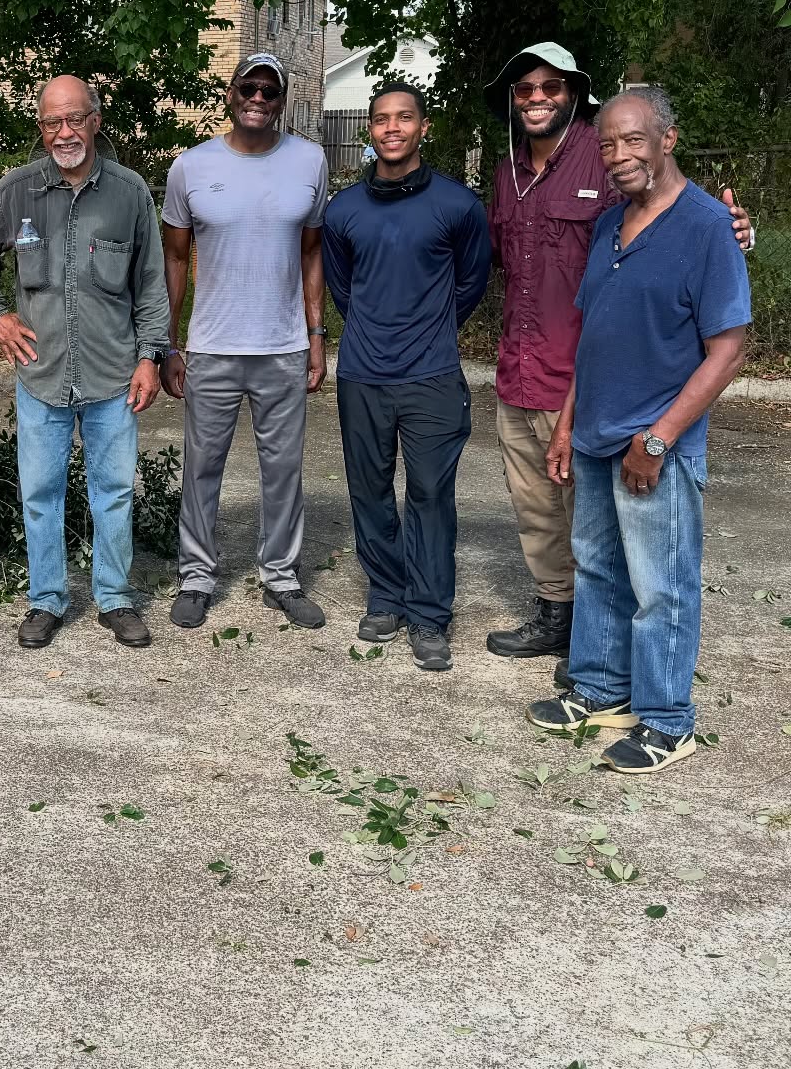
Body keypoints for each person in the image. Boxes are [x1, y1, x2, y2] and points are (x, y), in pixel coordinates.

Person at [482, 45, 754, 678]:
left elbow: (673, 205)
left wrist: (735, 225)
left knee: (624, 537)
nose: (537, 97)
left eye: (551, 86)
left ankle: (644, 678)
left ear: (573, 92)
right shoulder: (506, 172)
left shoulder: (602, 154)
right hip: (526, 368)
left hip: (596, 378)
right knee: (547, 516)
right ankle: (567, 629)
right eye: (525, 89)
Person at [528, 87, 751, 774]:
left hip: (653, 444)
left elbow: (729, 347)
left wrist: (658, 438)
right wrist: (566, 425)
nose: (619, 155)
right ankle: (599, 688)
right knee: (598, 569)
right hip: (594, 434)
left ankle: (666, 720)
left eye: (633, 140)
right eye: (608, 143)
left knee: (662, 585)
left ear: (666, 141)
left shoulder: (708, 227)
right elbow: (595, 333)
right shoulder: (609, 225)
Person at [0, 76, 170, 649]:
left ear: (96, 120)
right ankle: (46, 599)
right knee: (41, 492)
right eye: (52, 122)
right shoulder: (17, 191)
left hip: (113, 375)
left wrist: (151, 356)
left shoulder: (130, 193)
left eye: (74, 119)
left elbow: (152, 282)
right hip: (41, 373)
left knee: (113, 490)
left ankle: (114, 596)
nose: (64, 132)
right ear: (41, 127)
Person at [322, 82, 491, 672]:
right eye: (381, 120)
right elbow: (343, 288)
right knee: (368, 490)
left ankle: (428, 613)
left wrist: (430, 328)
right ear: (370, 130)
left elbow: (470, 282)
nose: (392, 128)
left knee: (429, 494)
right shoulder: (343, 211)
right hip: (363, 375)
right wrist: (376, 329)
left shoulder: (458, 206)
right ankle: (386, 595)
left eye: (404, 118)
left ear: (423, 127)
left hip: (432, 376)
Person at [160, 54, 330, 631]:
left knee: (283, 469)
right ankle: (196, 577)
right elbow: (176, 257)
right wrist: (169, 343)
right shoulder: (190, 166)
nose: (258, 97)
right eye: (248, 88)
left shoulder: (310, 160)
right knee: (202, 468)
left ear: (281, 100)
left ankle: (281, 576)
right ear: (231, 94)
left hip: (281, 346)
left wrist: (315, 335)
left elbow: (312, 252)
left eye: (270, 90)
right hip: (211, 346)